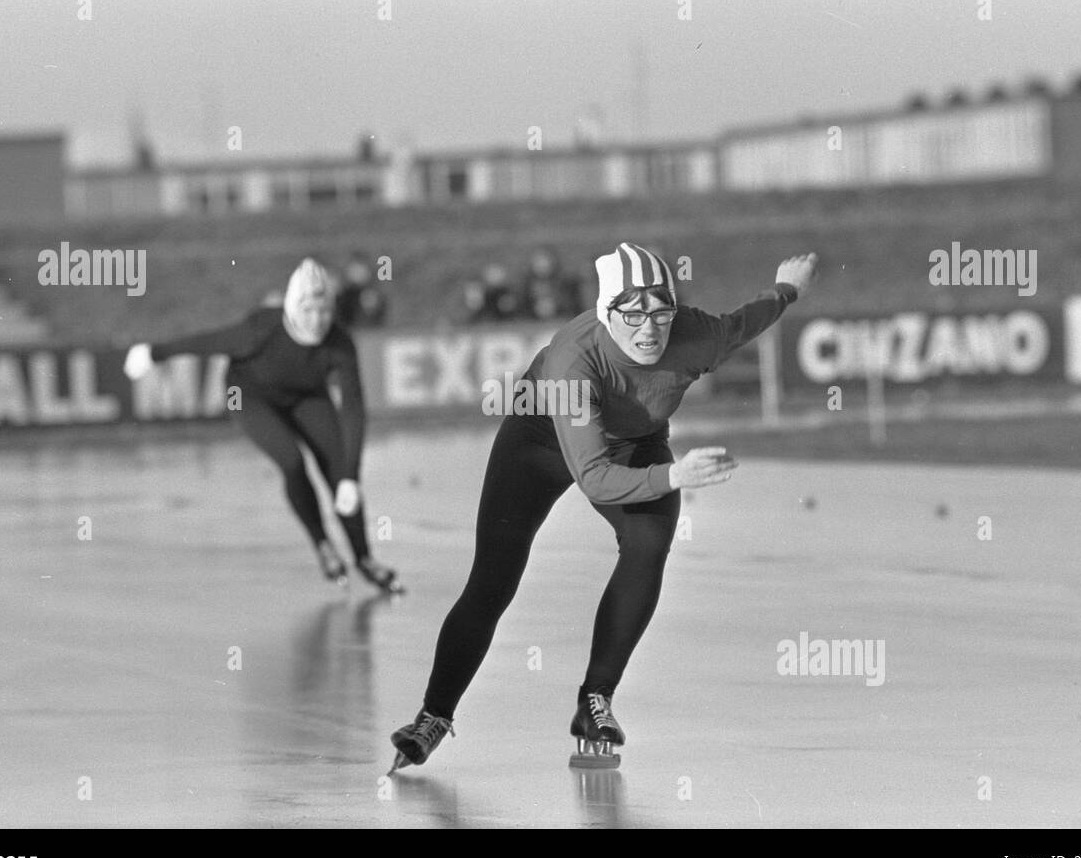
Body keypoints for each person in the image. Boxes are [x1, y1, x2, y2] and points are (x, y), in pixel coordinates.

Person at [388, 241, 817, 773]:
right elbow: (594, 479)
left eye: (661, 313)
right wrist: (675, 475)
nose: (649, 329)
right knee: (494, 578)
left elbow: (743, 323)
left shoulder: (696, 335)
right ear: (606, 312)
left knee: (648, 544)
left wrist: (786, 289)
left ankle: (595, 701)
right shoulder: (575, 358)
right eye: (633, 314)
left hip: (635, 441)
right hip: (541, 441)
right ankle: (433, 715)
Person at [123, 258, 403, 595]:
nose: (317, 321)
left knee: (338, 467)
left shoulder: (340, 343)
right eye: (309, 311)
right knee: (292, 462)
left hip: (306, 396)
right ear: (292, 308)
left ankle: (364, 558)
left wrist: (351, 477)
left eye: (324, 311)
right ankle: (323, 545)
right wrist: (153, 353)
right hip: (248, 396)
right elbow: (208, 342)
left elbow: (354, 408)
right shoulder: (262, 328)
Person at [522, 246, 584, 320]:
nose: (542, 265)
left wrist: (556, 305)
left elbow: (574, 305)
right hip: (531, 324)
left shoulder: (566, 283)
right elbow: (521, 307)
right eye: (539, 261)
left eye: (545, 260)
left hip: (562, 321)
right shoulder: (526, 285)